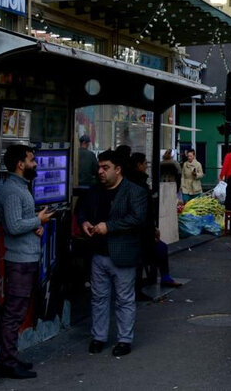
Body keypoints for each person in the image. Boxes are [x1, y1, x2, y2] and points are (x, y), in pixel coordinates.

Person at [76, 150, 147, 357]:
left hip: (122, 254)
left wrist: (109, 227)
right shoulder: (95, 191)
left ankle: (124, 340)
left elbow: (137, 219)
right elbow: (81, 209)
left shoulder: (135, 191)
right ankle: (99, 337)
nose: (100, 171)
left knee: (124, 299)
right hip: (98, 253)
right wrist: (84, 222)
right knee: (98, 298)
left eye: (105, 168)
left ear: (118, 170)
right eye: (99, 167)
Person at [0, 144, 54, 379]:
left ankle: (11, 357)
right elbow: (13, 225)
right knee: (14, 313)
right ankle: (7, 363)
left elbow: (21, 222)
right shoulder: (12, 190)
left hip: (26, 258)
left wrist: (35, 224)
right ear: (20, 164)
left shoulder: (21, 187)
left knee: (18, 312)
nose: (35, 164)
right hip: (19, 261)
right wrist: (37, 220)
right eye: (32, 160)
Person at [130, 152, 181, 291]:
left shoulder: (135, 182)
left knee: (160, 248)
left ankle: (162, 277)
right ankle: (158, 279)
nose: (147, 166)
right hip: (140, 233)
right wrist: (152, 229)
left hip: (142, 231)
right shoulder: (139, 185)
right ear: (139, 165)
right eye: (145, 163)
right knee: (160, 248)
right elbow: (144, 211)